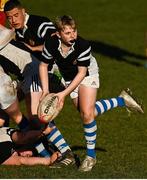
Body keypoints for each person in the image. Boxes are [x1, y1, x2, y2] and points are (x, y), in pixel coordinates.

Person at [39, 15, 144, 172]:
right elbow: (43, 66)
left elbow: (82, 73)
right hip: (68, 78)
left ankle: (90, 157)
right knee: (87, 113)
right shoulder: (51, 43)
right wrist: (46, 91)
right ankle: (122, 100)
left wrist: (62, 94)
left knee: (87, 114)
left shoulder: (82, 45)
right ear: (58, 34)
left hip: (87, 74)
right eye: (67, 33)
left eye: (74, 31)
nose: (72, 35)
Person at [3, 0, 76, 165]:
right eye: (10, 17)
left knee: (38, 116)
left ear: (24, 11)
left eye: (16, 15)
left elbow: (56, 44)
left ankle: (65, 152)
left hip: (46, 72)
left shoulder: (39, 23)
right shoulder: (16, 31)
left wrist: (31, 49)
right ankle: (47, 153)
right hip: (27, 76)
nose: (13, 20)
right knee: (32, 116)